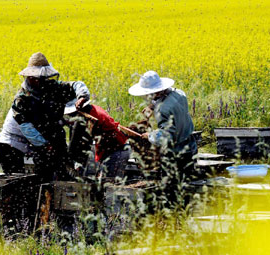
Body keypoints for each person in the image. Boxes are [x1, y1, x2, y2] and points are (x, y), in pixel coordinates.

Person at [0, 52, 90, 182]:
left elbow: (76, 85)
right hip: (24, 146)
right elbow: (27, 129)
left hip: (49, 142)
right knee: (32, 183)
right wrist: (46, 146)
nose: (37, 81)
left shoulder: (53, 88)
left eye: (39, 78)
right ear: (28, 77)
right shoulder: (22, 99)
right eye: (33, 78)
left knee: (63, 176)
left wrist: (82, 97)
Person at [128, 70, 197, 204]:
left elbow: (167, 136)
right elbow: (170, 103)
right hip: (190, 146)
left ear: (157, 91)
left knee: (172, 190)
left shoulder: (163, 109)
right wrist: (153, 105)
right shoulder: (180, 94)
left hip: (176, 153)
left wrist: (150, 136)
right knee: (187, 185)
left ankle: (174, 215)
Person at [64, 100, 130, 180]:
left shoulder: (92, 118)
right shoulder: (92, 110)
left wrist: (74, 161)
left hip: (117, 152)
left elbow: (80, 144)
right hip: (110, 150)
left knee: (109, 186)